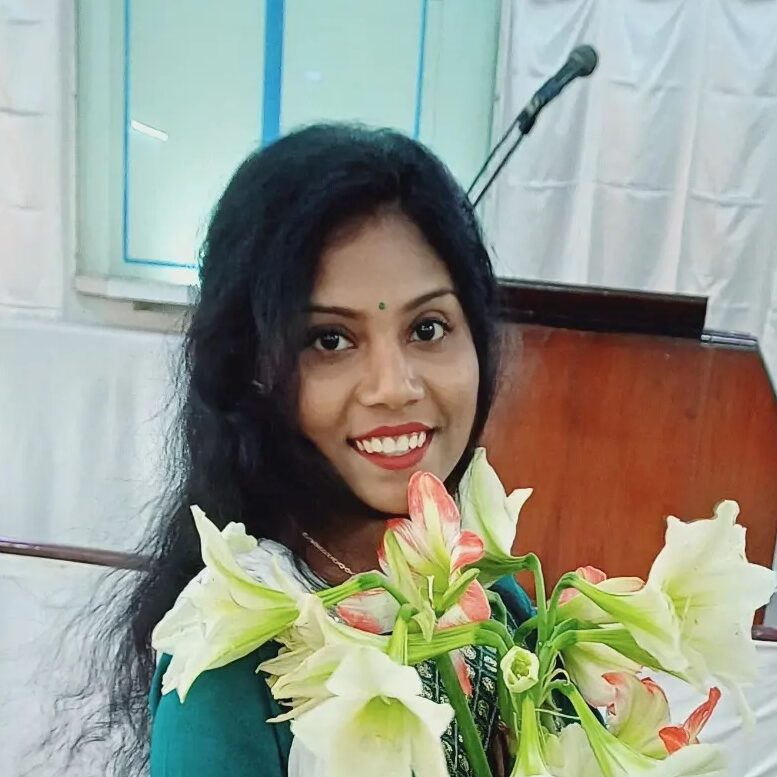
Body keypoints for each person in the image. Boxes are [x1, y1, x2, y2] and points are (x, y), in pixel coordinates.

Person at [60, 124, 533, 777]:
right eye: (330, 340)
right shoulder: (229, 664)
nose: (395, 386)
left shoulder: (493, 601)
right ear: (251, 369)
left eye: (428, 328)